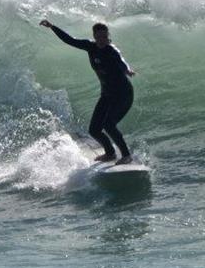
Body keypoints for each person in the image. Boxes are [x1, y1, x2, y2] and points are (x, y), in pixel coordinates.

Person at [40, 19, 135, 164]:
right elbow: (70, 40)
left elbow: (121, 61)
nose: (102, 40)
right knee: (94, 130)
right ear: (94, 37)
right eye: (98, 37)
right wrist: (53, 27)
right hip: (107, 94)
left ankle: (126, 155)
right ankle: (110, 153)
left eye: (104, 37)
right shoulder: (90, 47)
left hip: (123, 94)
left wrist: (127, 70)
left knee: (109, 125)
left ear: (108, 36)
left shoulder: (112, 50)